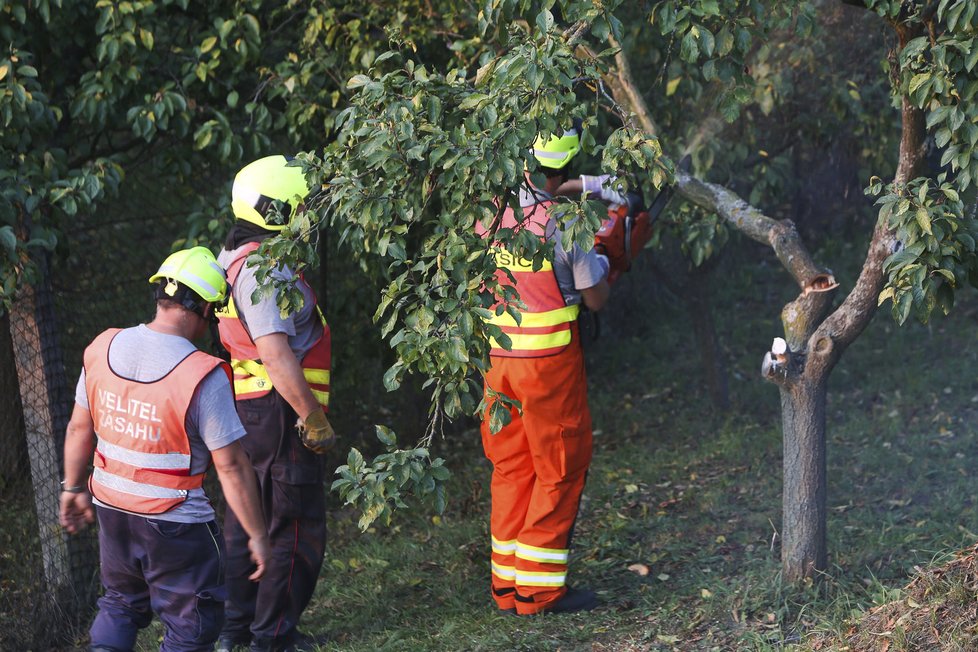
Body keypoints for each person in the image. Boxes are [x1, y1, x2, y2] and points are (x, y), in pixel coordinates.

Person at [59, 247, 270, 652]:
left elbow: (79, 426)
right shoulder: (202, 374)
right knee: (191, 626)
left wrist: (71, 488)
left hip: (112, 509)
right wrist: (257, 535)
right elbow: (231, 468)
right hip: (177, 525)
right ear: (205, 310)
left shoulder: (102, 347)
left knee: (120, 602)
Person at [477, 121, 610, 616]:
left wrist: (587, 188)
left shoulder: (493, 211)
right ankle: (537, 591)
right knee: (559, 466)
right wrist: (606, 265)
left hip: (499, 363)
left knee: (512, 467)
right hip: (548, 363)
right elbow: (594, 299)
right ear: (566, 168)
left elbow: (543, 190)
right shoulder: (565, 225)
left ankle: (506, 587)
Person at [214, 155, 336, 652]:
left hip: (250, 410)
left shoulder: (234, 257)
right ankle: (274, 638)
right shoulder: (268, 267)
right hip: (281, 415)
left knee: (249, 520)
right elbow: (275, 352)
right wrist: (312, 416)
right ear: (278, 210)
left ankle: (236, 631)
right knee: (293, 522)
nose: (310, 215)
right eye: (302, 205)